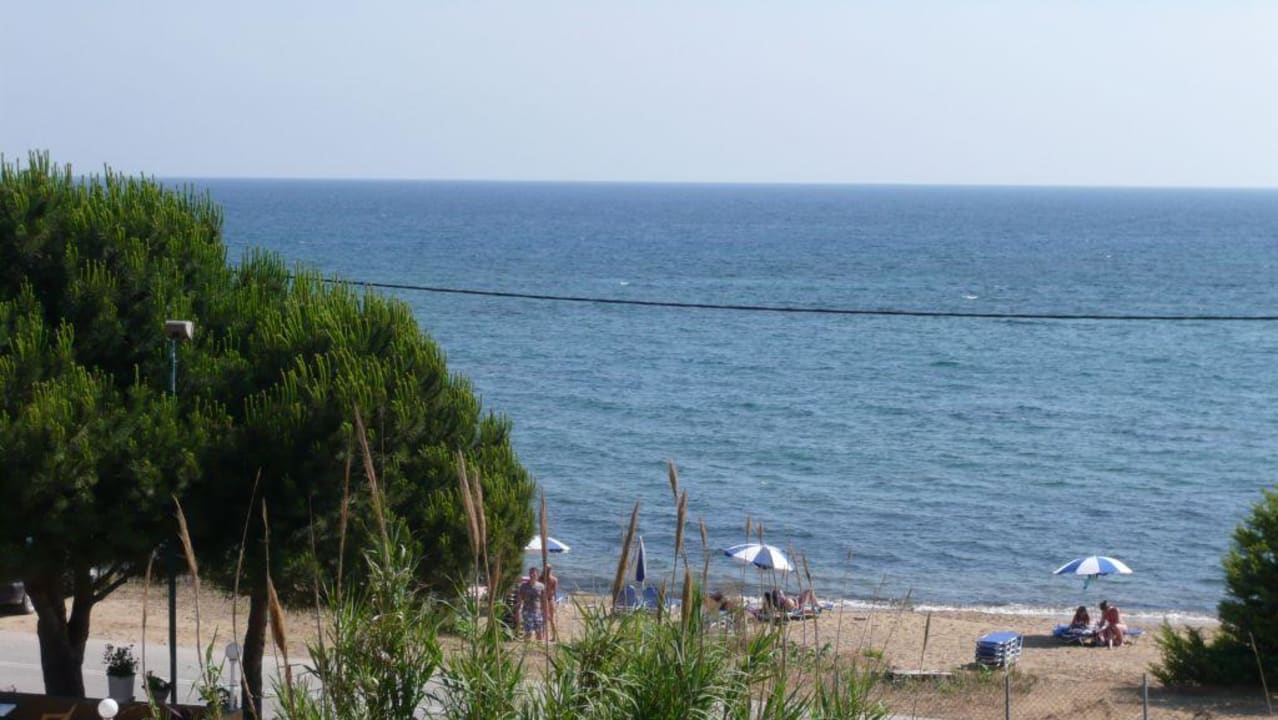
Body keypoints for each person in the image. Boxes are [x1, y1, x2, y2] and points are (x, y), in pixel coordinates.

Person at [514, 566, 547, 641]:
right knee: (529, 633)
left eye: (534, 574)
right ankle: (526, 649)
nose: (532, 575)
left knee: (539, 633)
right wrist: (517, 611)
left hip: (538, 612)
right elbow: (519, 600)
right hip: (527, 612)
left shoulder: (541, 586)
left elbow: (544, 601)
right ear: (529, 574)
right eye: (531, 574)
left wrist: (546, 613)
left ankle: (539, 649)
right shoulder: (524, 586)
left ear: (537, 575)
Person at [544, 563, 560, 642]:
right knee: (545, 618)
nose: (548, 570)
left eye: (549, 569)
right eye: (547, 569)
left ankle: (553, 636)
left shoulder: (554, 579)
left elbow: (555, 592)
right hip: (544, 600)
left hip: (549, 599)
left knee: (551, 619)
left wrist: (555, 601)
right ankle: (545, 636)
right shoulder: (541, 578)